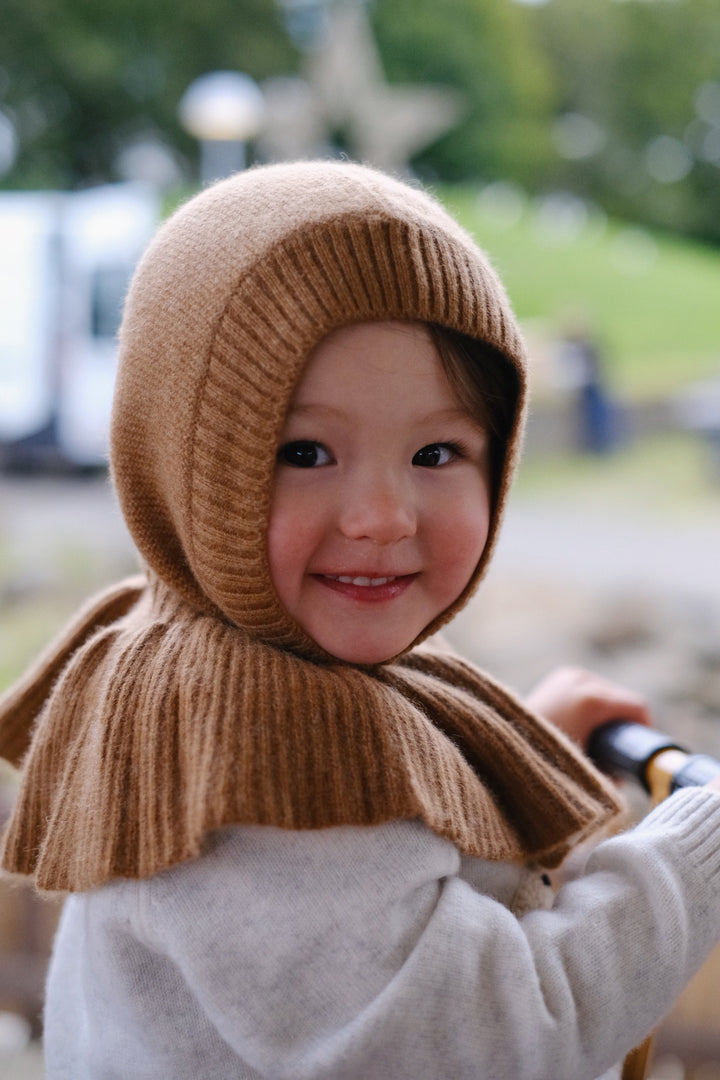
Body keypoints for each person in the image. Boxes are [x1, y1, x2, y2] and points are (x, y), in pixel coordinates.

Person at [0, 161, 719, 1080]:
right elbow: (486, 1042)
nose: (382, 515)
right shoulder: (258, 752)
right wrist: (697, 851)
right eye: (305, 451)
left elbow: (366, 895)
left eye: (435, 451)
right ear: (184, 464)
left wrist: (518, 747)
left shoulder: (198, 653)